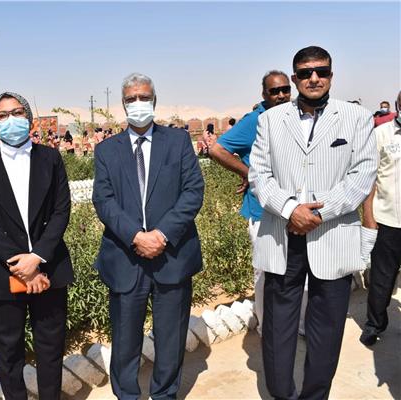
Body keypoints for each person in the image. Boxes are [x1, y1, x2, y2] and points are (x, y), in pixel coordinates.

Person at [249, 46, 377, 399]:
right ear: (295, 79)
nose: (314, 78)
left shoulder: (356, 118)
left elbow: (362, 175)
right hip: (282, 235)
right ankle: (282, 394)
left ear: (331, 75)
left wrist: (319, 214)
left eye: (321, 71)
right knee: (278, 327)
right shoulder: (271, 120)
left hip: (331, 234)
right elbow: (259, 175)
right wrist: (291, 210)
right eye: (305, 73)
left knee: (326, 330)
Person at [93, 73, 204, 399]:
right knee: (125, 339)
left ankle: (164, 394)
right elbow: (104, 200)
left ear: (154, 101)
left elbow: (193, 191)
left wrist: (162, 234)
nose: (138, 103)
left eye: (144, 97)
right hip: (126, 258)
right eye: (131, 99)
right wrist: (136, 236)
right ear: (123, 104)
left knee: (170, 338)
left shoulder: (178, 142)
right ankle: (127, 395)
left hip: (172, 256)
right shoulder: (107, 150)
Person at [0, 91, 74, 400]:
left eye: (17, 113)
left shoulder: (50, 159)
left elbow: (61, 211)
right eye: (3, 116)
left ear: (30, 120)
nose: (11, 120)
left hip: (49, 268)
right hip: (3, 273)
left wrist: (38, 257)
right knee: (8, 352)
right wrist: (23, 266)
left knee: (51, 347)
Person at [209, 71, 308, 336]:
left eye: (285, 90)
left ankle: (298, 324)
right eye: (274, 91)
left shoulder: (296, 115)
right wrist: (249, 173)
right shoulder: (256, 120)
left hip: (294, 209)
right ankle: (268, 327)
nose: (281, 95)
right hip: (263, 211)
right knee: (266, 273)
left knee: (297, 271)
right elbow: (217, 149)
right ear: (264, 94)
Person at [360, 90, 401, 346]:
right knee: (381, 278)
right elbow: (369, 178)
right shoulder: (381, 134)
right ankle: (374, 324)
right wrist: (368, 215)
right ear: (398, 105)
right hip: (388, 220)